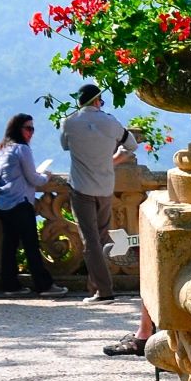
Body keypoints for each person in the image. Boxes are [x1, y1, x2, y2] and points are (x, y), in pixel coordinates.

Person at [60, 83, 134, 305]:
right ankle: (97, 287)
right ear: (96, 101)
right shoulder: (110, 122)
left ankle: (103, 291)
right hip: (105, 187)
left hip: (81, 188)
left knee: (90, 242)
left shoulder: (69, 123)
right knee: (100, 240)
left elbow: (65, 145)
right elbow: (131, 145)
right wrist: (115, 159)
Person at [0, 113, 66, 297]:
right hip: (20, 202)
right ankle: (44, 285)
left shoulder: (2, 149)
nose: (31, 133)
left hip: (2, 203)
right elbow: (35, 179)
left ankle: (10, 285)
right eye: (28, 128)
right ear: (18, 129)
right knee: (31, 245)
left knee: (9, 245)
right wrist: (47, 176)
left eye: (32, 129)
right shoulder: (22, 149)